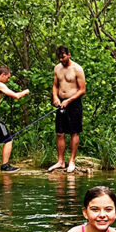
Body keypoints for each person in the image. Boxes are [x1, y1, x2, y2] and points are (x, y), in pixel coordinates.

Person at [48, 45, 86, 173]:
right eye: (59, 58)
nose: (61, 60)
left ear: (69, 54)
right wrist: (55, 97)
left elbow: (82, 90)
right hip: (60, 104)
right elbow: (55, 86)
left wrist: (68, 101)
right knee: (59, 133)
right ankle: (60, 161)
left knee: (74, 132)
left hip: (74, 103)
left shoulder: (77, 69)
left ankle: (72, 161)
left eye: (63, 57)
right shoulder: (57, 68)